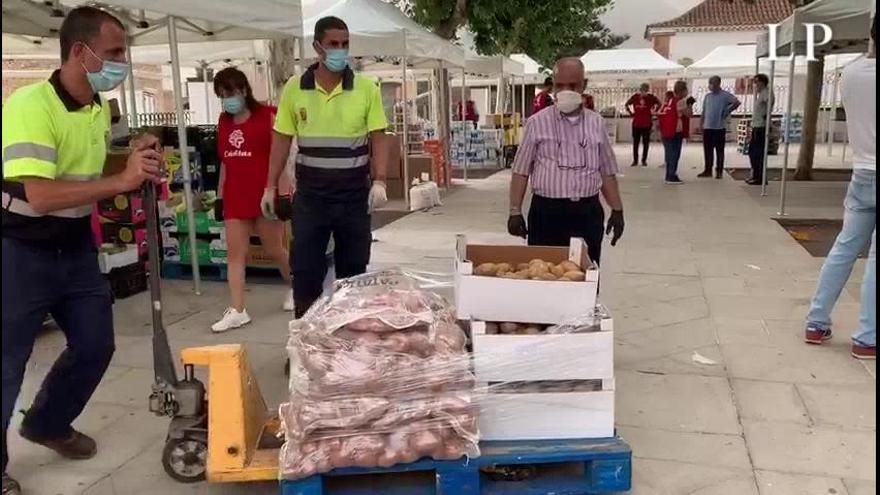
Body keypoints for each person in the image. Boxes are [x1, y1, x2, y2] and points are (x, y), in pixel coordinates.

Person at [1, 7, 163, 494]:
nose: (122, 63)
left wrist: (138, 159)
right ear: (80, 51)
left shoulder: (94, 107)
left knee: (96, 343)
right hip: (20, 248)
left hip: (73, 247)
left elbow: (92, 172)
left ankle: (47, 423)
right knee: (8, 358)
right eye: (114, 53)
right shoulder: (31, 104)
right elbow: (41, 193)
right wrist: (123, 179)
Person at [264, 16, 389, 321]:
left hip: (353, 197)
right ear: (317, 46)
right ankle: (305, 344)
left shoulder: (366, 88)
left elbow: (378, 136)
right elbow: (281, 140)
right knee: (305, 271)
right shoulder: (295, 88)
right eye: (333, 44)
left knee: (353, 272)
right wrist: (270, 186)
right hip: (311, 197)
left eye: (345, 44)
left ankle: (349, 342)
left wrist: (381, 180)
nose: (340, 50)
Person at [804, 16, 876, 360]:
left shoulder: (851, 72)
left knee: (844, 248)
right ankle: (867, 336)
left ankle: (816, 321)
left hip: (862, 171)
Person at [507, 58, 625, 265]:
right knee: (542, 275)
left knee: (585, 275)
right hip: (547, 213)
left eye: (573, 85)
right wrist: (514, 211)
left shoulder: (596, 123)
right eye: (560, 85)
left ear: (584, 86)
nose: (565, 91)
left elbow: (606, 170)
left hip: (586, 213)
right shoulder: (537, 123)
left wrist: (617, 210)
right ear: (552, 85)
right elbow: (521, 170)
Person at [210, 67, 292, 333]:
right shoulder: (223, 122)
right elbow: (225, 163)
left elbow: (281, 158)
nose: (227, 100)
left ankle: (295, 285)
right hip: (236, 196)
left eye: (231, 93)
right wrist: (219, 197)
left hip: (264, 195)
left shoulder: (268, 117)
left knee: (275, 249)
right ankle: (237, 310)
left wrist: (281, 193)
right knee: (235, 255)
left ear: (244, 90)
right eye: (222, 95)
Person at [698, 75, 741, 179]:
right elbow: (704, 110)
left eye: (712, 83)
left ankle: (719, 171)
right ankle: (708, 170)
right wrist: (701, 123)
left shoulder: (725, 95)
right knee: (707, 150)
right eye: (710, 83)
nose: (710, 86)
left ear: (718, 84)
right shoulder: (708, 96)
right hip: (708, 127)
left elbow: (737, 102)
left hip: (719, 128)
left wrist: (727, 111)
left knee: (719, 151)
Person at [657, 80, 692, 185]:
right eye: (686, 90)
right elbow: (689, 114)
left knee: (669, 154)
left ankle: (669, 174)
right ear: (682, 91)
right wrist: (690, 104)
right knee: (674, 154)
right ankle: (671, 176)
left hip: (666, 131)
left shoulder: (669, 100)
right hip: (675, 131)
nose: (687, 92)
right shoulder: (680, 102)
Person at [625, 83, 661, 167]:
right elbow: (626, 104)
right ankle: (635, 160)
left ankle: (644, 160)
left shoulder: (651, 97)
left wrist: (654, 112)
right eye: (642, 90)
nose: (644, 91)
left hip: (646, 123)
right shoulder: (635, 97)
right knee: (636, 143)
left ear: (647, 90)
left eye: (645, 90)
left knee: (646, 143)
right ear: (640, 89)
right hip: (636, 123)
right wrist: (631, 113)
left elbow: (659, 103)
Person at [747, 74, 773, 185]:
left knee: (757, 153)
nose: (755, 84)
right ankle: (756, 175)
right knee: (752, 153)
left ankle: (760, 178)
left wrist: (767, 114)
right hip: (756, 126)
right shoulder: (761, 93)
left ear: (762, 82)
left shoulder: (766, 92)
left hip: (761, 127)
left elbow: (769, 102)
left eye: (757, 82)